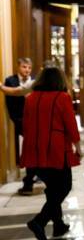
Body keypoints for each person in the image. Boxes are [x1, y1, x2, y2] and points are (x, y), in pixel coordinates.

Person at [20, 64, 81, 240]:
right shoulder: (62, 97)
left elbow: (26, 125)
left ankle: (58, 224)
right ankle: (39, 220)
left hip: (35, 150)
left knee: (53, 189)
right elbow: (71, 125)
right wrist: (78, 148)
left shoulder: (30, 98)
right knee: (64, 186)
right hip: (56, 150)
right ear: (59, 80)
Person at [1, 57, 37, 195]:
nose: (27, 70)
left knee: (31, 150)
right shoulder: (10, 81)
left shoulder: (34, 82)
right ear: (18, 67)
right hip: (20, 120)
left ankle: (31, 179)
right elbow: (11, 102)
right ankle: (29, 180)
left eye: (29, 67)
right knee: (29, 151)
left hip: (34, 121)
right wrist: (18, 120)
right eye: (24, 67)